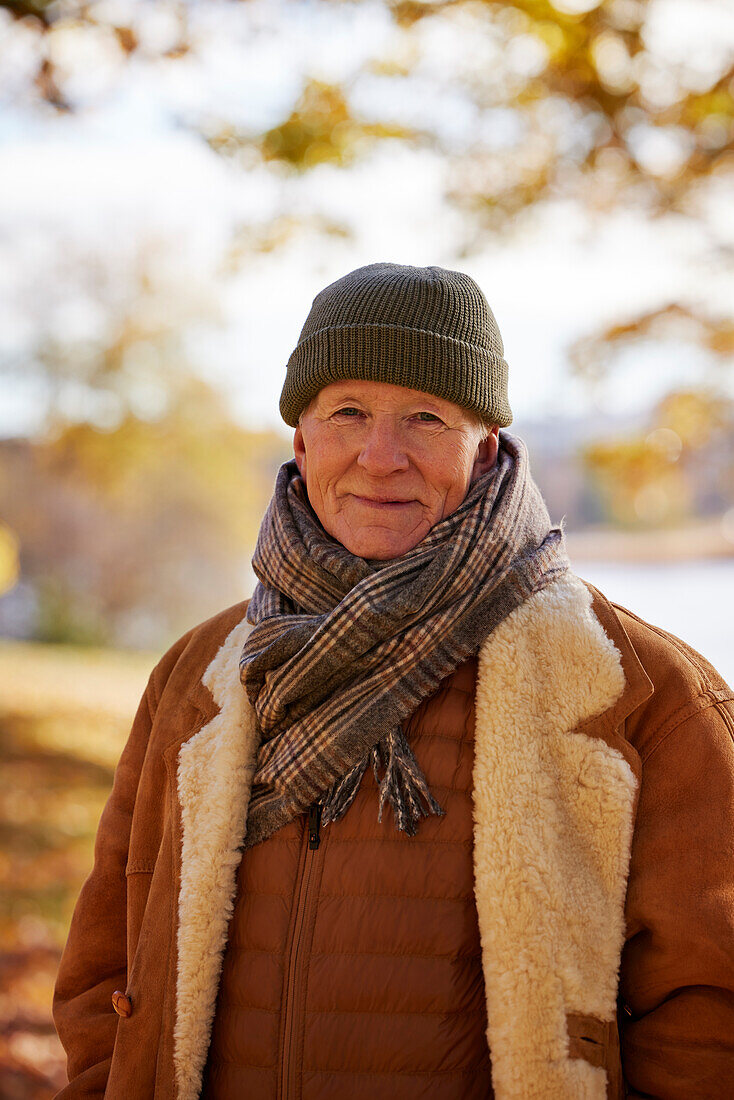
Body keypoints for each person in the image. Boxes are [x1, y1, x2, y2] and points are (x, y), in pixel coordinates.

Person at [52, 262, 734, 1099]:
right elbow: (106, 963)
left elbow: (709, 1010)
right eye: (348, 413)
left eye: (425, 418)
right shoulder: (201, 673)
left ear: (482, 449)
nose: (381, 457)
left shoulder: (633, 686)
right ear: (301, 439)